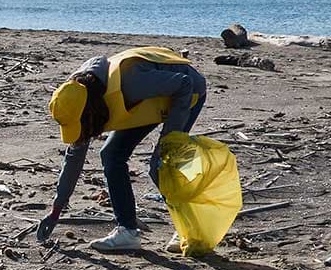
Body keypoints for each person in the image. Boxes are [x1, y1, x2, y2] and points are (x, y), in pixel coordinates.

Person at [37, 46, 208, 253]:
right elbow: (75, 154)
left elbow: (184, 83)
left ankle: (191, 230)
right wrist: (56, 209)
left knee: (161, 164)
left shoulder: (131, 83)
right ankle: (127, 232)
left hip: (187, 93)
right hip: (147, 99)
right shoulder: (77, 95)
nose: (81, 132)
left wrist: (169, 139)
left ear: (90, 112)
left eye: (79, 124)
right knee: (111, 154)